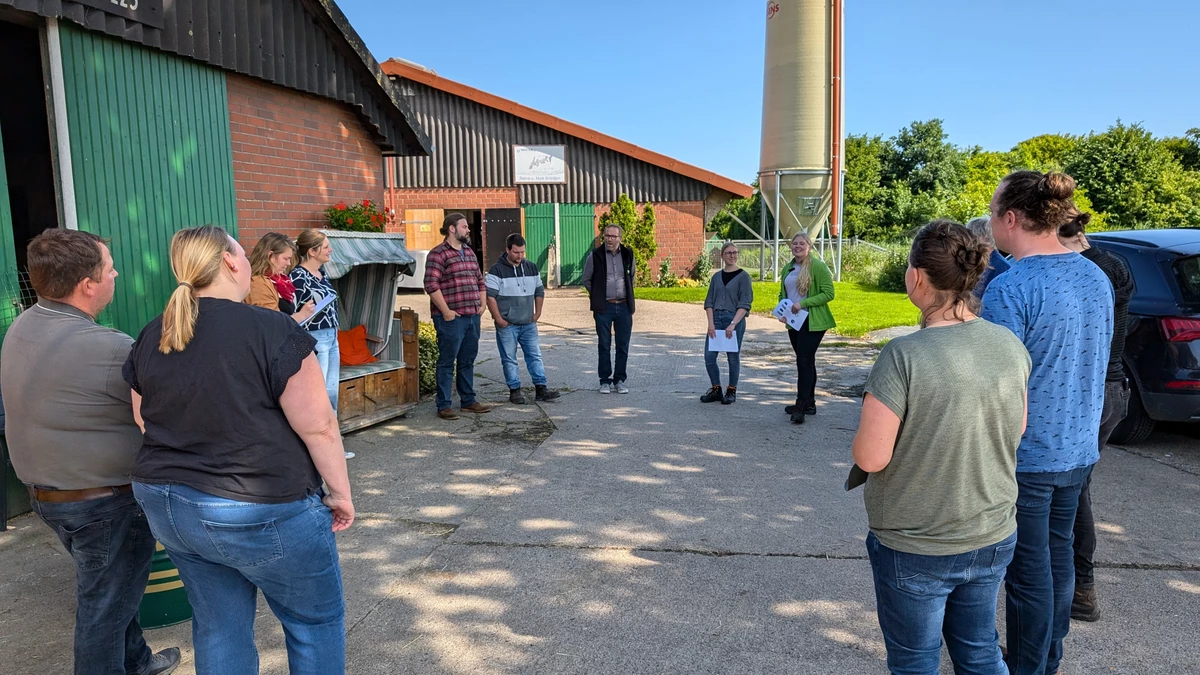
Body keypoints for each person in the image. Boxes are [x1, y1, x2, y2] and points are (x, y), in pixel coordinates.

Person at [124, 226, 354, 675]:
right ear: (231, 261)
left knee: (218, 626)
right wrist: (341, 494)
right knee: (314, 622)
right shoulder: (270, 327)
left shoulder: (155, 332)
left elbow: (143, 418)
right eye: (241, 253)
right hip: (258, 507)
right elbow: (320, 426)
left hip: (171, 506)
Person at [853, 219, 1030, 674]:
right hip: (990, 531)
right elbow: (1019, 426)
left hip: (916, 541)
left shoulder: (903, 355)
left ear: (916, 276)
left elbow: (871, 456)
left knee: (915, 661)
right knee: (980, 650)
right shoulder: (1009, 344)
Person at [0, 228, 180, 675]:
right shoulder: (108, 348)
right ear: (88, 285)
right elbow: (168, 414)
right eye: (109, 267)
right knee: (103, 610)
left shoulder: (25, 323)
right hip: (103, 503)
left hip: (50, 494)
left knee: (111, 592)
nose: (116, 272)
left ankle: (137, 663)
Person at [982, 171, 1114, 675]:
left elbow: (996, 383)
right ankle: (1048, 658)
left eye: (994, 213)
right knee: (1058, 559)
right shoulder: (1094, 275)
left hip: (1029, 452)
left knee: (1027, 574)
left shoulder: (1010, 287)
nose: (992, 223)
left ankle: (1030, 665)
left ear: (1011, 219)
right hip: (1079, 446)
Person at [1058, 214, 1134, 622]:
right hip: (1114, 389)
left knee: (1072, 490)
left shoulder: (1085, 273)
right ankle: (1076, 586)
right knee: (1076, 487)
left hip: (1089, 390)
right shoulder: (1114, 263)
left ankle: (1081, 588)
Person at [291, 229, 354, 459]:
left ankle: (333, 446)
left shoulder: (322, 273)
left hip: (332, 336)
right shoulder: (298, 276)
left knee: (331, 393)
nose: (330, 250)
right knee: (317, 395)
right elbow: (296, 313)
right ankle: (318, 448)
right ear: (312, 251)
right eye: (326, 246)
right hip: (315, 338)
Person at [424, 212, 493, 420]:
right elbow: (430, 285)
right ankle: (443, 405)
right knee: (447, 361)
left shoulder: (469, 252)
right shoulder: (438, 254)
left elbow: (480, 280)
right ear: (452, 229)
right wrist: (445, 312)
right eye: (464, 226)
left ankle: (468, 401)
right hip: (451, 319)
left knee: (467, 360)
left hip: (472, 316)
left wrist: (482, 305)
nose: (468, 229)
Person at [485, 233, 561, 405]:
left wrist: (537, 313)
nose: (519, 256)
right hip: (507, 325)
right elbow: (490, 297)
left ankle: (541, 388)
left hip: (528, 323)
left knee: (535, 355)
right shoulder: (496, 270)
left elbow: (539, 291)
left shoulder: (531, 267)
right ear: (507, 250)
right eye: (516, 252)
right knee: (509, 358)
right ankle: (514, 391)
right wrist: (498, 319)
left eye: (522, 252)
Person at [777, 232, 836, 424]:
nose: (798, 246)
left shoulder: (817, 267)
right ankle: (809, 403)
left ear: (809, 246)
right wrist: (782, 310)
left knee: (803, 361)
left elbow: (829, 293)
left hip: (813, 321)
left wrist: (804, 304)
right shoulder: (788, 268)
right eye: (795, 243)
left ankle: (800, 406)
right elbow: (783, 294)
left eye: (802, 243)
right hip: (794, 321)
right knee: (806, 361)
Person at [582, 224, 636, 394]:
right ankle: (604, 381)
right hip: (604, 307)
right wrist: (597, 295)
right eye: (607, 236)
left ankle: (619, 380)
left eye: (613, 236)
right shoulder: (595, 256)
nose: (609, 239)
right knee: (604, 345)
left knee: (623, 345)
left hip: (624, 307)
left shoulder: (628, 254)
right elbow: (586, 280)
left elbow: (631, 276)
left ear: (620, 238)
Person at [701, 242, 753, 404]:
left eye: (735, 253)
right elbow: (709, 302)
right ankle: (716, 388)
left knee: (732, 356)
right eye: (729, 253)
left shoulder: (743, 277)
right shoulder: (716, 277)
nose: (732, 255)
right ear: (723, 255)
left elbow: (745, 303)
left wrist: (733, 324)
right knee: (709, 356)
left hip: (734, 319)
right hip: (716, 319)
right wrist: (711, 324)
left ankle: (731, 390)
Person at [246, 232, 315, 322]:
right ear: (270, 256)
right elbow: (273, 323)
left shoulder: (278, 280)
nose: (289, 263)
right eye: (286, 259)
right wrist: (301, 315)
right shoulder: (258, 284)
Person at [966, 215, 1012, 299]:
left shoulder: (1002, 267)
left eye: (972, 236)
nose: (968, 241)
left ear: (984, 238)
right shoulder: (974, 262)